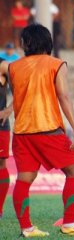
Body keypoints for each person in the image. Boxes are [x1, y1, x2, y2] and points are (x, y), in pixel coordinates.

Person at [8, 24, 74, 237]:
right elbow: (64, 97)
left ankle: (27, 229)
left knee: (24, 179)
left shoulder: (13, 67)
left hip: (21, 133)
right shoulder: (56, 64)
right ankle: (69, 223)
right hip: (47, 130)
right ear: (47, 41)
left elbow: (18, 96)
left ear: (26, 43)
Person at [0, 58, 10, 220]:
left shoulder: (3, 65)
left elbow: (24, 87)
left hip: (0, 125)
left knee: (0, 164)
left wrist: (8, 110)